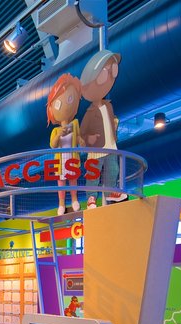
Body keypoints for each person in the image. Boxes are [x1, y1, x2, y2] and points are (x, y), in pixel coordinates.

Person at [80, 50, 127, 205]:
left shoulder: (108, 107)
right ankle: (91, 198)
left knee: (113, 170)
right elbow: (82, 133)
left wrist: (114, 127)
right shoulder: (90, 112)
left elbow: (110, 124)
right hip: (96, 150)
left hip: (110, 147)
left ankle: (111, 191)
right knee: (93, 173)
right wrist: (89, 138)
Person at [46, 73, 83, 215]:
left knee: (73, 181)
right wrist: (59, 135)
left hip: (72, 159)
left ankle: (74, 200)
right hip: (60, 161)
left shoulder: (75, 126)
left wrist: (81, 140)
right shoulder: (55, 130)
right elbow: (52, 145)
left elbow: (80, 140)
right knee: (61, 183)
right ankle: (61, 203)